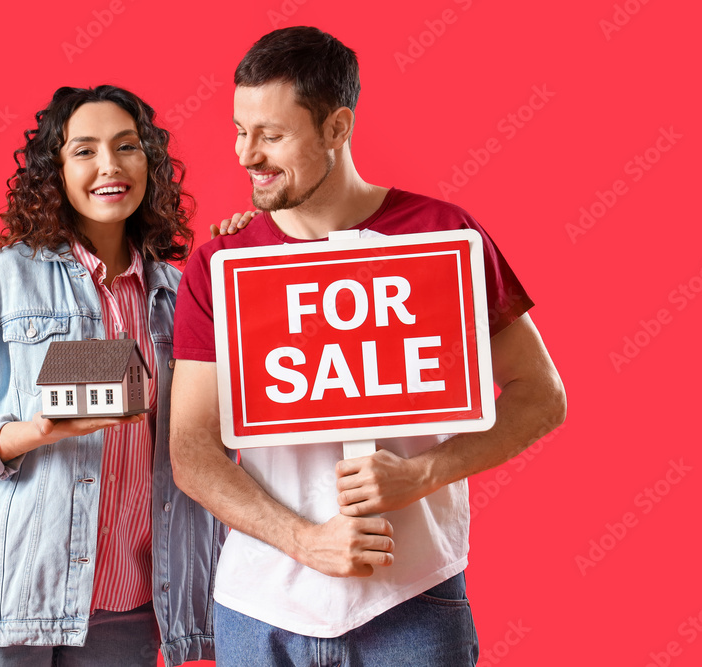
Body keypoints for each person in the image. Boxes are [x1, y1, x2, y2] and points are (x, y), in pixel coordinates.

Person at [170, 27, 567, 665]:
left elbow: (541, 398)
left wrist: (421, 474)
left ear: (336, 127)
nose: (247, 154)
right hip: (261, 606)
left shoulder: (442, 236)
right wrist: (305, 541)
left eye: (272, 135)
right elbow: (192, 450)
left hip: (413, 599)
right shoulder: (223, 261)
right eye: (240, 130)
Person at [0, 85, 227, 666]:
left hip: (128, 607)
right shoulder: (2, 279)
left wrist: (251, 259)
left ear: (150, 162)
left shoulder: (180, 296)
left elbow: (217, 440)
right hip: (5, 598)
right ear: (54, 171)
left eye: (127, 146)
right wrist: (36, 431)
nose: (110, 166)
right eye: (84, 150)